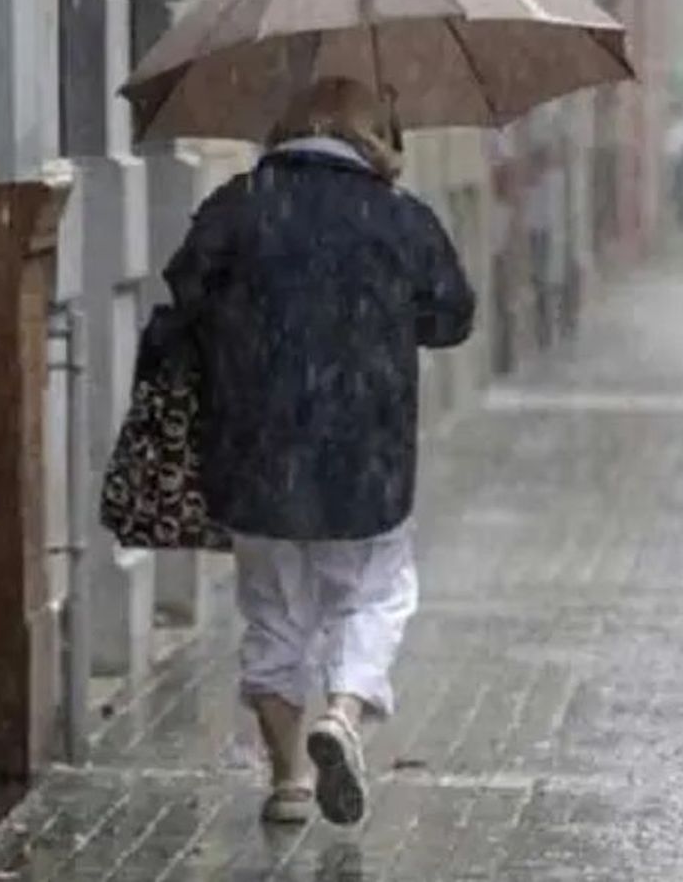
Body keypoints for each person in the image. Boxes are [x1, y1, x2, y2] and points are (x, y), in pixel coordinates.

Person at [163, 77, 476, 827]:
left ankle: (288, 782)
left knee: (274, 612)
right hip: (364, 455)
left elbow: (187, 295)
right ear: (372, 134)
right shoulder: (398, 217)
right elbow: (451, 318)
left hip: (256, 447)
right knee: (375, 593)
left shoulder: (240, 206)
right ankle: (342, 711)